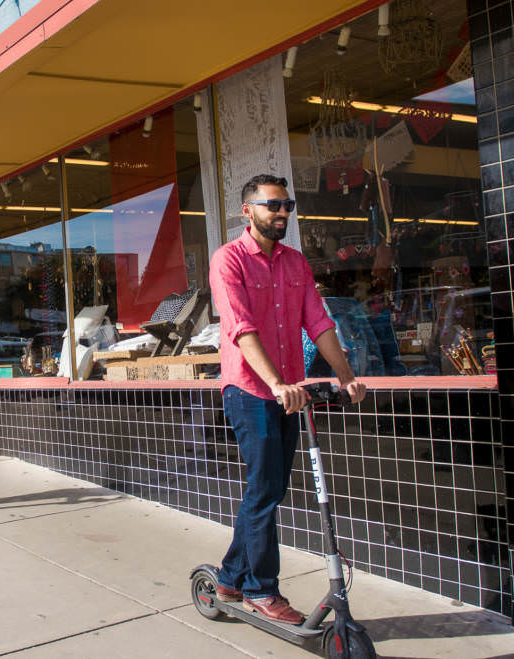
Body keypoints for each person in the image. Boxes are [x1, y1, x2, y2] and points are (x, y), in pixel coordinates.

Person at [209, 174, 367, 624]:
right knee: (264, 488)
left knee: (271, 489)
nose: (282, 213)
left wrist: (346, 377)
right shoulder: (229, 261)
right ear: (248, 210)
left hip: (290, 393)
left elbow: (318, 322)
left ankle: (231, 575)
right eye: (273, 205)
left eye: (287, 206)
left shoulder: (296, 263)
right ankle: (260, 588)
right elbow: (240, 330)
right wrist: (277, 383)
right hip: (250, 390)